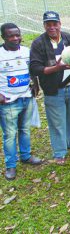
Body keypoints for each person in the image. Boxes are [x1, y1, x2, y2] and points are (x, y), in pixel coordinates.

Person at [30, 11, 70, 165]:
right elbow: (35, 68)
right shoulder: (39, 43)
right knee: (57, 122)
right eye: (48, 24)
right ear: (44, 25)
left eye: (55, 23)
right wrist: (56, 67)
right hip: (54, 90)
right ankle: (60, 152)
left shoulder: (69, 38)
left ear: (60, 24)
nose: (52, 27)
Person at [0, 23, 42, 180]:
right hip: (8, 102)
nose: (15, 38)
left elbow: (32, 71)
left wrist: (36, 85)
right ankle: (10, 165)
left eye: (17, 34)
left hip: (26, 97)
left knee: (24, 129)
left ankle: (25, 155)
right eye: (11, 35)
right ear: (3, 37)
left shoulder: (26, 52)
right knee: (10, 134)